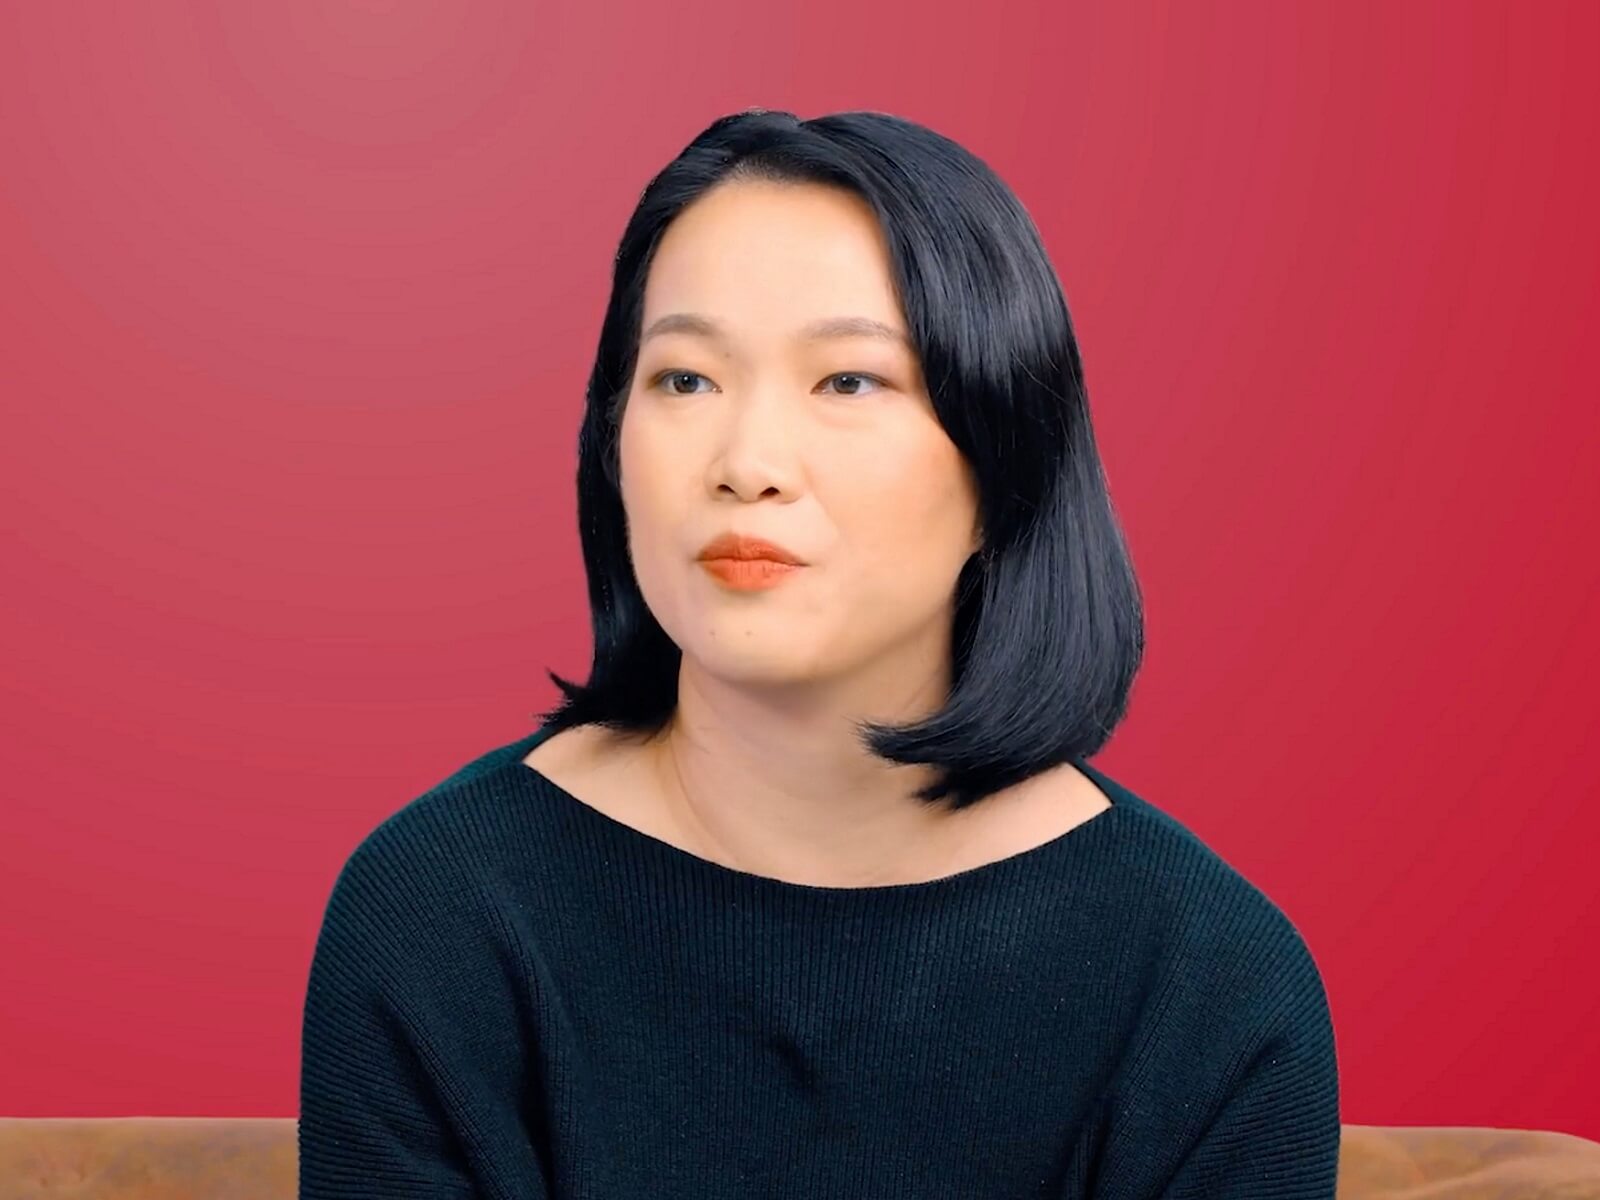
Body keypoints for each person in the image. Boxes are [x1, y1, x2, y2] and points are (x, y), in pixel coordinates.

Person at [299, 107, 1340, 1198]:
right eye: (684, 379)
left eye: (848, 381)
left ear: (1004, 463)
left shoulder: (1208, 983)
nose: (745, 463)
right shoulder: (442, 909)